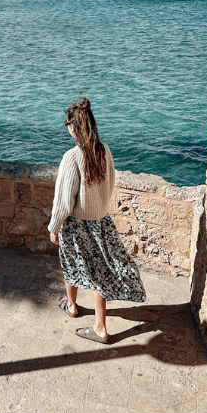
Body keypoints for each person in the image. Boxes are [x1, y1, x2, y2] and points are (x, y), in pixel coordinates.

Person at [48, 98, 146, 344]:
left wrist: (54, 227)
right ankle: (71, 305)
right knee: (94, 270)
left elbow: (63, 202)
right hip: (101, 222)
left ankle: (98, 327)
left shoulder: (72, 157)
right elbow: (110, 183)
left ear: (72, 127)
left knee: (79, 268)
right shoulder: (105, 150)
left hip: (77, 225)